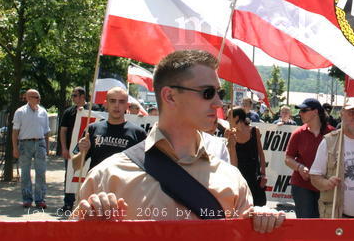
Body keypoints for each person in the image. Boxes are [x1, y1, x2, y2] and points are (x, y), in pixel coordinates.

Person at [75, 50, 284, 232]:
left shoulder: (231, 178)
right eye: (208, 93)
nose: (219, 103)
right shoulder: (108, 176)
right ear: (170, 96)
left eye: (218, 93)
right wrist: (90, 225)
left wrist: (261, 224)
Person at [72, 87, 147, 172]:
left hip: (125, 184)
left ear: (127, 106)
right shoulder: (92, 129)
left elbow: (146, 167)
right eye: (112, 101)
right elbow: (75, 166)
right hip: (96, 183)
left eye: (121, 102)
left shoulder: (138, 133)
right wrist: (82, 153)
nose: (116, 105)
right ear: (106, 104)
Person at [285, 98, 334, 218]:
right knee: (306, 224)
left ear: (315, 112)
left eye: (304, 110)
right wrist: (299, 167)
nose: (300, 113)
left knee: (324, 224)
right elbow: (288, 158)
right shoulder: (298, 133)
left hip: (326, 186)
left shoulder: (333, 134)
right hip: (302, 185)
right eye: (300, 111)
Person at [59, 87, 96, 212]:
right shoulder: (69, 112)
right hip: (72, 150)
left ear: (82, 96)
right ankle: (68, 203)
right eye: (72, 95)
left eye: (75, 95)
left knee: (88, 175)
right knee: (70, 175)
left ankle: (86, 202)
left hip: (89, 150)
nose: (73, 98)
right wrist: (64, 148)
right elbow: (63, 131)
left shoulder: (94, 109)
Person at [12, 89, 50, 208]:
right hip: (25, 144)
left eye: (39, 97)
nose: (38, 99)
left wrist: (47, 148)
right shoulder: (20, 112)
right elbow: (15, 132)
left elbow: (46, 132)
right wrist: (15, 148)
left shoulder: (43, 112)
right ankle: (27, 199)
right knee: (25, 173)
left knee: (41, 172)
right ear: (28, 98)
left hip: (40, 143)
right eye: (36, 97)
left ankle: (40, 199)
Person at [225, 107, 267, 206]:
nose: (227, 119)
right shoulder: (229, 133)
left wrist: (263, 174)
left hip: (254, 176)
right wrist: (231, 144)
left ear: (237, 118)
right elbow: (231, 160)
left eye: (229, 116)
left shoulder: (254, 130)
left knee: (258, 206)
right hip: (238, 176)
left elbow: (260, 153)